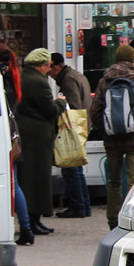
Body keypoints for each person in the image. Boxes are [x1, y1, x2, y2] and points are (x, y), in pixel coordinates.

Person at [89, 43, 134, 230]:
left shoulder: (105, 81)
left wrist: (105, 130)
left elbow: (95, 111)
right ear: (133, 60)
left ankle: (113, 222)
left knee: (114, 182)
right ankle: (130, 221)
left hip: (112, 140)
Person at [15, 48, 65, 237]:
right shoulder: (38, 82)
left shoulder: (22, 76)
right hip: (37, 136)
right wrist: (60, 101)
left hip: (26, 133)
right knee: (38, 178)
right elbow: (50, 110)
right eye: (48, 66)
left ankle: (32, 220)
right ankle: (33, 220)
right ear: (43, 65)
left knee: (28, 177)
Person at [0, 42, 32, 245]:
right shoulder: (13, 79)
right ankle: (25, 227)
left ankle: (25, 227)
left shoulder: (2, 82)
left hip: (5, 137)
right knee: (13, 184)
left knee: (12, 184)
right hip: (12, 134)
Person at [48, 52, 93, 218]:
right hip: (82, 126)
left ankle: (78, 206)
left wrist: (58, 105)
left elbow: (74, 106)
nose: (48, 73)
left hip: (73, 129)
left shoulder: (68, 80)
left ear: (56, 67)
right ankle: (84, 205)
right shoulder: (76, 75)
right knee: (77, 169)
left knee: (71, 169)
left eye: (50, 69)